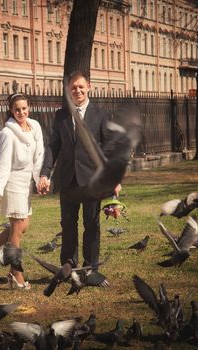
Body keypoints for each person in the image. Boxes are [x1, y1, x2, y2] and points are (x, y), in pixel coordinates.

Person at [37, 71, 121, 271]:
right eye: (73, 88)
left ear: (89, 87)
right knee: (68, 224)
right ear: (69, 90)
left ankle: (91, 266)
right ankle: (68, 264)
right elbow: (53, 147)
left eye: (81, 87)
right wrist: (44, 173)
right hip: (67, 179)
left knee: (92, 225)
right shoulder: (61, 115)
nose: (77, 91)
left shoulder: (101, 114)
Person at [0, 93, 44, 289]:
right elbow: (3, 164)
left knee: (22, 227)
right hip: (12, 183)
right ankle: (16, 275)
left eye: (24, 108)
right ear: (11, 110)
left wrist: (40, 179)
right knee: (17, 231)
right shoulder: (7, 134)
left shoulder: (35, 126)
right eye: (17, 109)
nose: (21, 112)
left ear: (29, 107)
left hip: (26, 184)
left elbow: (39, 156)